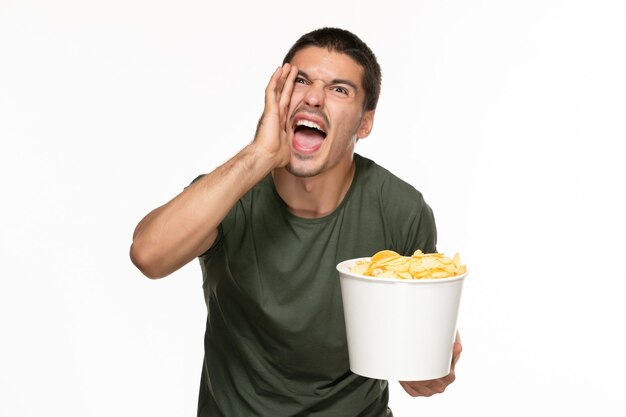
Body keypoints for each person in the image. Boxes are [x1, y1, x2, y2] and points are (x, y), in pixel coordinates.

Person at [130, 27, 462, 417]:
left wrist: (428, 367)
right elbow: (148, 255)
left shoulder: (401, 210)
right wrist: (259, 155)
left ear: (365, 123)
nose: (314, 97)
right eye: (300, 80)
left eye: (340, 89)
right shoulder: (229, 195)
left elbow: (420, 339)